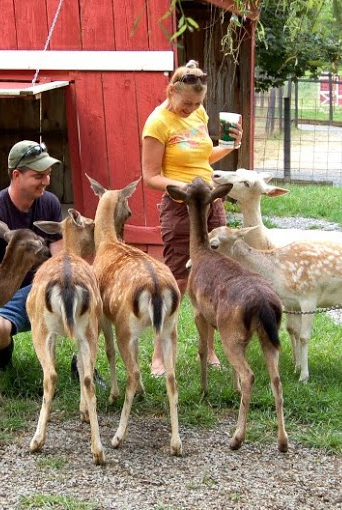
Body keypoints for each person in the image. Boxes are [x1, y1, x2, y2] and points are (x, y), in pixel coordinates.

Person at [141, 60, 243, 376]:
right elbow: (150, 176)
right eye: (187, 103)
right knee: (177, 280)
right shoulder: (157, 123)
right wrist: (185, 189)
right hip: (180, 206)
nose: (192, 109)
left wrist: (229, 145)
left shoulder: (198, 113)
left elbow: (203, 157)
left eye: (198, 104)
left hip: (211, 201)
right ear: (171, 91)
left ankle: (210, 350)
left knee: (213, 276)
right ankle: (159, 354)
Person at [0, 140, 64, 371]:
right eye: (38, 176)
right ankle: (3, 347)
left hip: (46, 289)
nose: (46, 182)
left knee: (95, 290)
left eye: (48, 174)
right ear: (16, 175)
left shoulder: (49, 203)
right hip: (6, 295)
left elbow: (61, 255)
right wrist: (17, 271)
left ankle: (82, 365)